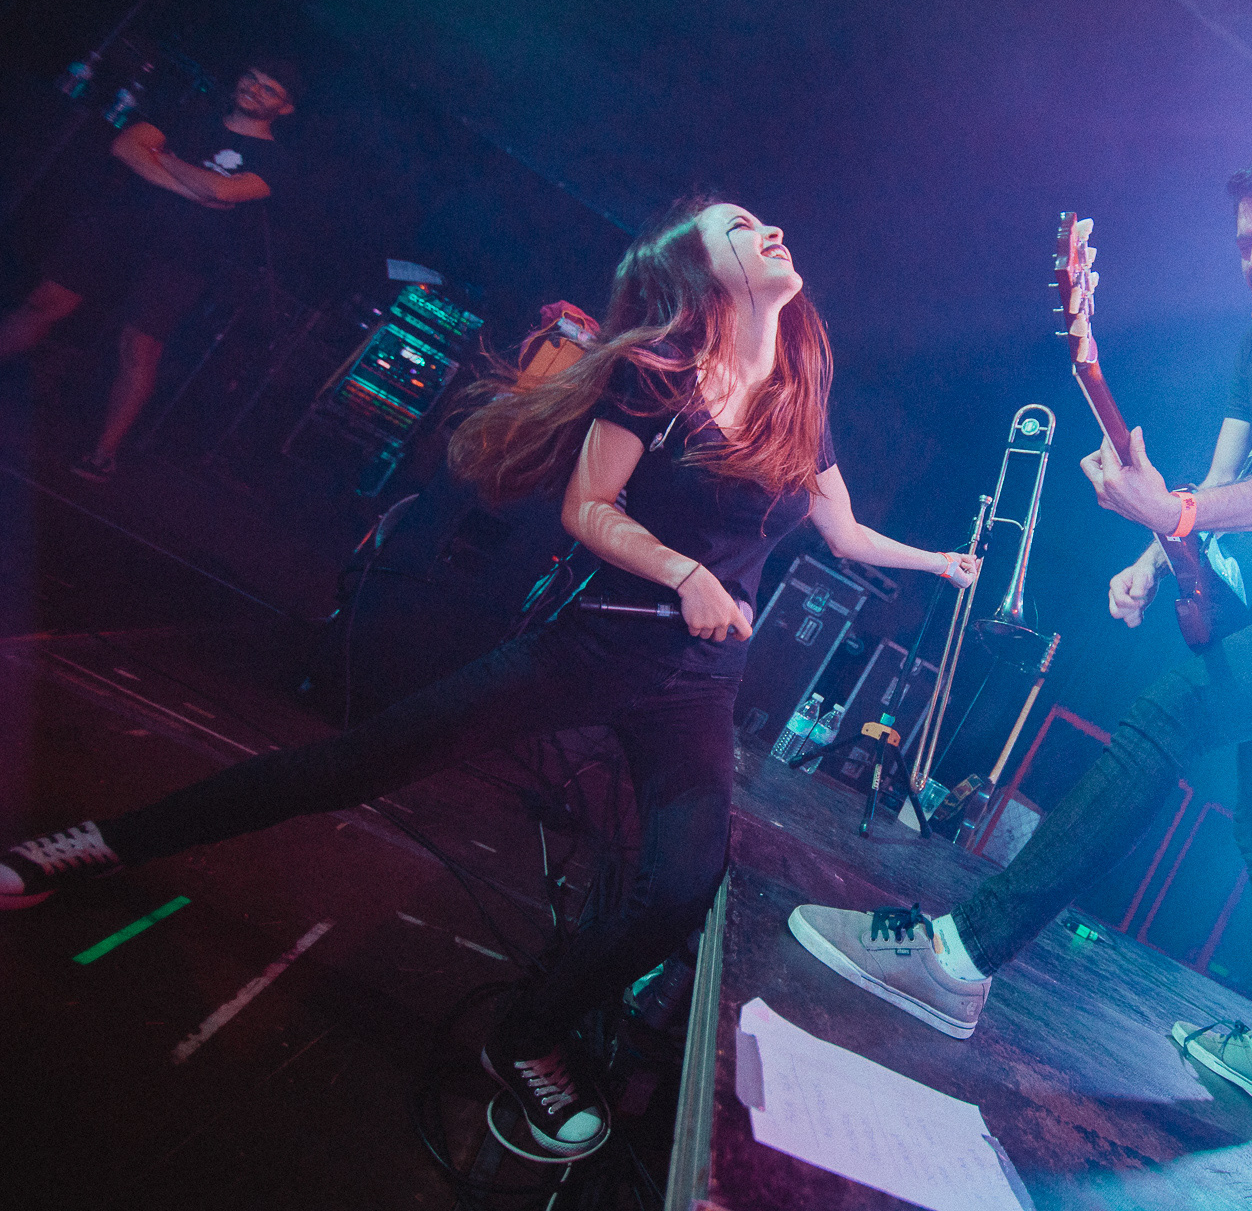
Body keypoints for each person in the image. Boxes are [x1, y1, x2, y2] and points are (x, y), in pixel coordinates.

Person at [0, 198, 981, 1158]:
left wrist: (938, 562)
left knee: (682, 885)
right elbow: (588, 508)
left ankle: (526, 1036)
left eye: (764, 222)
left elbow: (845, 533)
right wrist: (685, 573)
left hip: (697, 686)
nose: (770, 230)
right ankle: (104, 841)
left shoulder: (800, 407)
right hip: (595, 645)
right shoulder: (655, 377)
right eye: (739, 227)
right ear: (703, 275)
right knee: (354, 765)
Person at [786, 140, 1252, 1124]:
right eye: (1246, 240)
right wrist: (1154, 550)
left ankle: (957, 958)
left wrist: (1176, 513)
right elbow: (1218, 484)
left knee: (1167, 717)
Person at [0, 58, 300, 480]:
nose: (253, 88)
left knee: (139, 348)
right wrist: (192, 189)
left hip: (183, 256)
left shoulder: (275, 160)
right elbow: (126, 146)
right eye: (251, 78)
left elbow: (222, 189)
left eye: (268, 89)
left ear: (284, 108)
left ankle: (103, 454)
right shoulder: (193, 115)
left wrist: (166, 159)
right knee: (43, 303)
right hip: (120, 225)